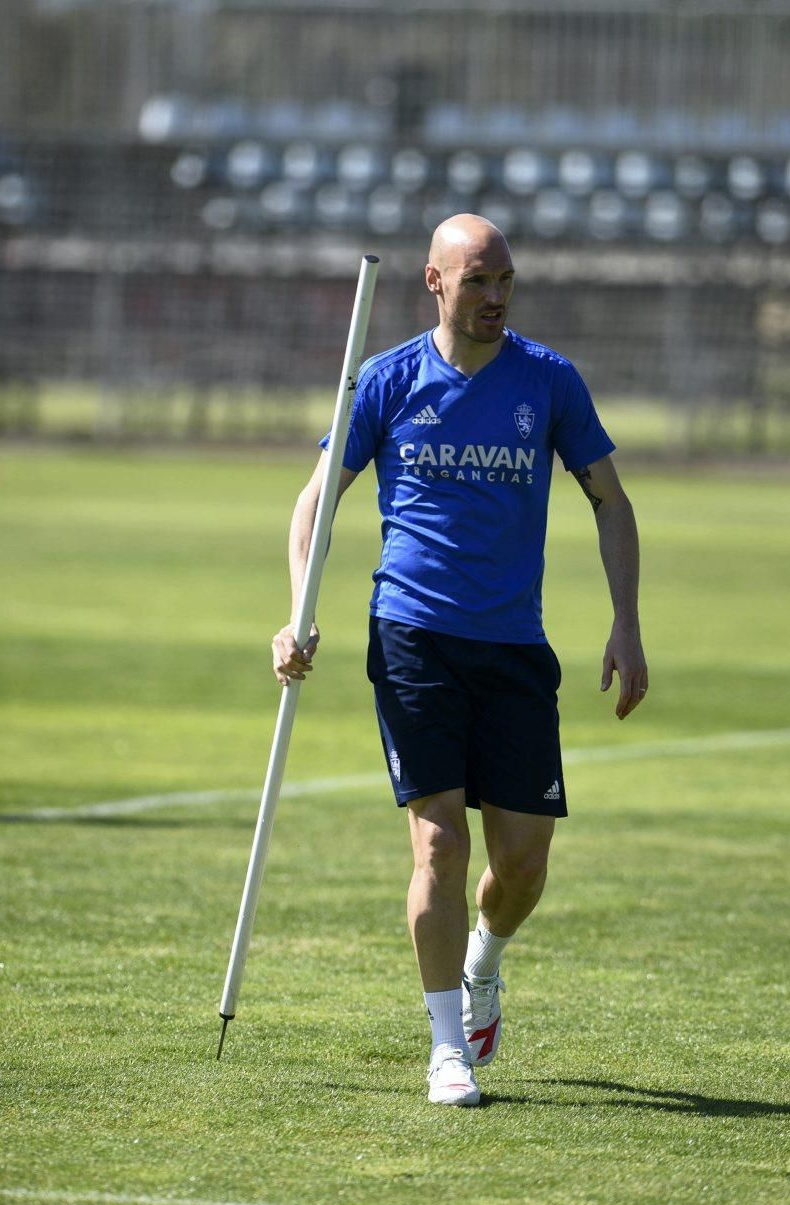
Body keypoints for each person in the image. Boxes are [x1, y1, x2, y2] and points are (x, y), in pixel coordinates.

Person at [272, 214, 648, 1107]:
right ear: (434, 282)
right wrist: (297, 614)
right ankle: (448, 1050)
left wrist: (626, 622)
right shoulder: (385, 380)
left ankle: (486, 963)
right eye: (477, 280)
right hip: (412, 636)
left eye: (506, 280)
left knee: (521, 866)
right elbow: (317, 501)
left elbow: (611, 502)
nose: (495, 297)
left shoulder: (548, 381)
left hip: (515, 644)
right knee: (438, 841)